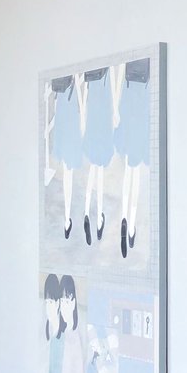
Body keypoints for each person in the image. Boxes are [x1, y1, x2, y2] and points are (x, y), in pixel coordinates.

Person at [113, 57, 151, 259]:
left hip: (128, 101)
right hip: (142, 103)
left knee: (129, 169)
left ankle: (124, 217)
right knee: (135, 172)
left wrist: (116, 108)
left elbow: (120, 72)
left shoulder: (129, 61)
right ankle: (131, 224)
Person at [80, 67, 116, 246]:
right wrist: (115, 111)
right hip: (103, 120)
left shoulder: (91, 74)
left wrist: (84, 119)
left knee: (92, 171)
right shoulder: (108, 71)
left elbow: (85, 95)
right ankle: (99, 218)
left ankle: (86, 212)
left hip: (92, 120)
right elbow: (113, 90)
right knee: (99, 171)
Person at [49, 74, 83, 239]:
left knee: (66, 173)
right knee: (68, 172)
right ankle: (68, 215)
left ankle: (67, 217)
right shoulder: (74, 79)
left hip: (63, 121)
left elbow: (55, 101)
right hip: (70, 121)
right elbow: (80, 101)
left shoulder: (59, 85)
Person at [58, 275, 86, 373]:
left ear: (73, 301)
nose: (64, 306)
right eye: (62, 301)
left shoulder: (80, 332)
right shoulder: (58, 333)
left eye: (67, 300)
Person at [43, 273, 64, 373]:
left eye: (51, 302)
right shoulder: (45, 331)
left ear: (58, 303)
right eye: (46, 302)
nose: (48, 307)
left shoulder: (64, 337)